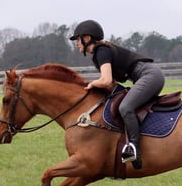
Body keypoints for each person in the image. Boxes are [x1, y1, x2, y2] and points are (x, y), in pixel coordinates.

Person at [70, 19, 165, 169]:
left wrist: (93, 83)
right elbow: (112, 84)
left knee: (125, 107)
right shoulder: (101, 51)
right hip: (147, 75)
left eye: (78, 40)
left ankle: (133, 148)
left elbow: (106, 80)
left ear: (87, 38)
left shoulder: (101, 51)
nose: (77, 44)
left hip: (149, 75)